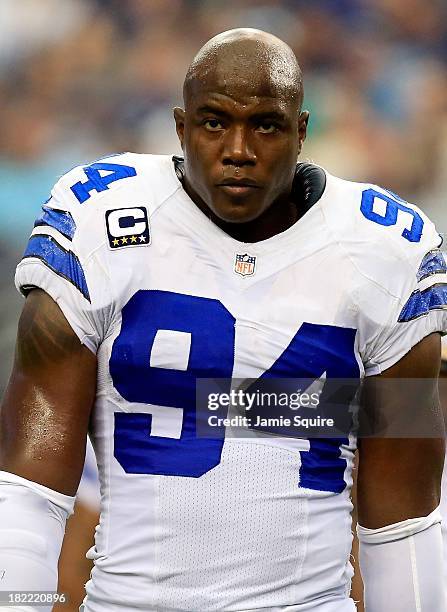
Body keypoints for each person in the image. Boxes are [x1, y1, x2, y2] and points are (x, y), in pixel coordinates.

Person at [0, 28, 446, 612]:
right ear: (181, 128)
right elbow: (29, 487)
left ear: (301, 132)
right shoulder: (100, 220)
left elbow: (403, 517)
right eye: (214, 123)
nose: (239, 149)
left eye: (266, 124)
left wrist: (248, 405)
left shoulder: (387, 248)